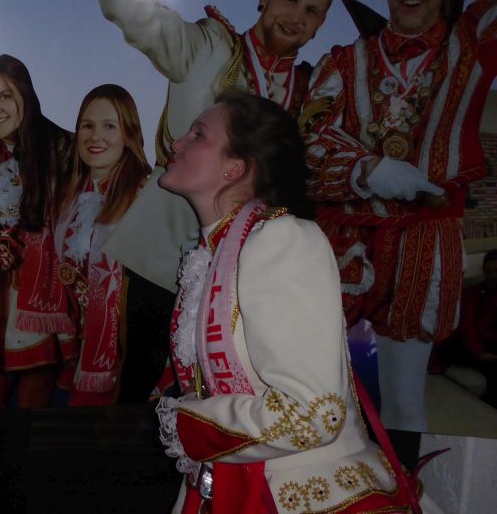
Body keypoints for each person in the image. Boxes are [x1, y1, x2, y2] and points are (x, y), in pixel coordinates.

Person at [74, 0, 350, 356]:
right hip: (162, 258)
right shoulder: (211, 48)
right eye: (290, 0)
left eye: (311, 11)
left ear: (320, 24)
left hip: (243, 273)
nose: (297, 17)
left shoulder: (308, 90)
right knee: (141, 381)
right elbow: (141, 17)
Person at [154, 92, 405, 512]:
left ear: (236, 168)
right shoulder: (210, 256)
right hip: (227, 484)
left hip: (300, 493)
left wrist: (186, 422)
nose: (176, 143)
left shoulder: (281, 239)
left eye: (197, 135)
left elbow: (313, 414)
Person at [304, 0, 497, 431]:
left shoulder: (473, 45)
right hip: (342, 239)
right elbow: (307, 141)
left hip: (424, 243)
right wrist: (364, 169)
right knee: (317, 392)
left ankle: (400, 478)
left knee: (404, 403)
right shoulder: (343, 62)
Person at [0, 54, 75, 409]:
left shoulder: (64, 149)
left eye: (5, 96)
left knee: (31, 419)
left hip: (41, 306)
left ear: (25, 95)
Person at [54, 84, 149, 406]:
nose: (96, 137)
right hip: (77, 352)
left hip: (127, 359)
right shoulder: (69, 198)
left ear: (129, 134)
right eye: (88, 126)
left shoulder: (145, 195)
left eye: (109, 126)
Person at [431, 249, 497, 406]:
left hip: (488, 340)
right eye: (489, 271)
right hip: (463, 343)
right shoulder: (474, 294)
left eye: (496, 270)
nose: (493, 275)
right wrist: (480, 353)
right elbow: (470, 328)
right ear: (484, 272)